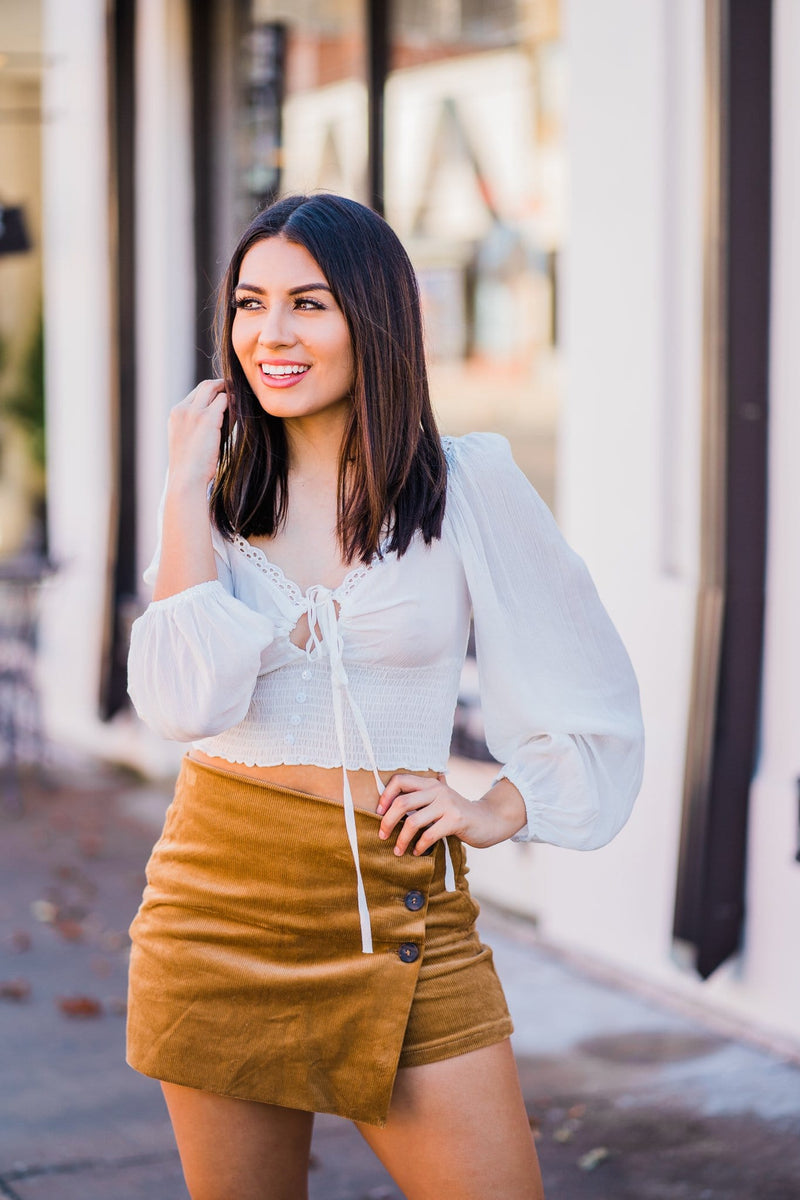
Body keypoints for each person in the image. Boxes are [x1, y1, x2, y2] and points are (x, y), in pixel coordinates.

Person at [126, 192, 644, 1200]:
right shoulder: (218, 497)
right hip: (214, 906)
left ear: (373, 319)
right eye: (249, 304)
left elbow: (588, 684)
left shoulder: (465, 485)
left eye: (307, 304)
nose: (269, 334)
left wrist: (498, 804)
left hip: (400, 908)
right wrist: (184, 486)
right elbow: (180, 702)